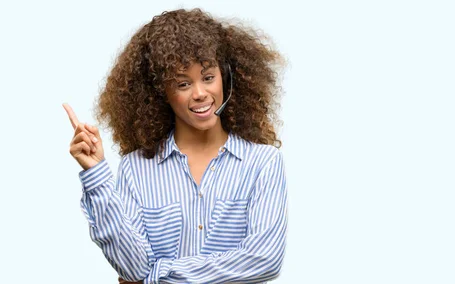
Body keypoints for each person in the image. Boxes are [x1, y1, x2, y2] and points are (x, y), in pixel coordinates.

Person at [63, 8, 287, 284]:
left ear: (225, 77)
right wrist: (96, 174)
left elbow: (265, 260)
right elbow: (132, 268)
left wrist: (158, 274)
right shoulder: (136, 168)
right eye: (183, 83)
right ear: (161, 92)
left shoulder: (263, 163)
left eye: (208, 77)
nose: (200, 94)